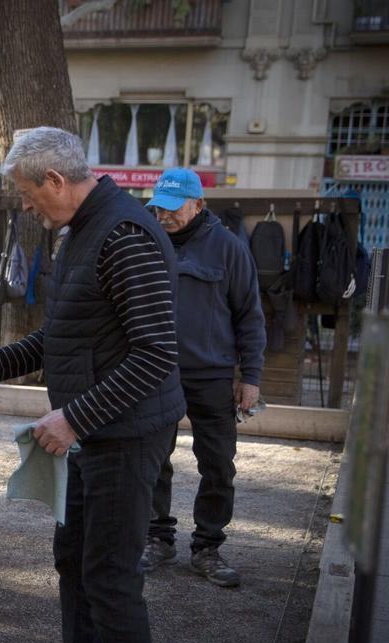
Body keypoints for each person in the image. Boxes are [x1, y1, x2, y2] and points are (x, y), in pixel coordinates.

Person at [0, 127, 184, 643]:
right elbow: (65, 334)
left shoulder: (125, 236)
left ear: (54, 181)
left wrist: (75, 419)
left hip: (126, 435)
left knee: (110, 575)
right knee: (74, 556)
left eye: (26, 194)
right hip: (96, 431)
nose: (25, 206)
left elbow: (156, 352)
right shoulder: (82, 231)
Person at [141, 168, 265, 587]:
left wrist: (250, 377)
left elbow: (250, 316)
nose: (165, 216)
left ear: (198, 204)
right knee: (153, 460)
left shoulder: (228, 248)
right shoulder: (145, 239)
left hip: (211, 375)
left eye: (174, 209)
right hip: (155, 370)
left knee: (217, 465)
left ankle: (208, 547)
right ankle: (156, 538)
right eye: (160, 207)